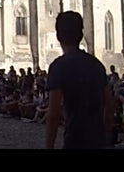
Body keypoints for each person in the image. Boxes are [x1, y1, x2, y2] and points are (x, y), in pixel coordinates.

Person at [45, 11, 114, 149]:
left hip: (74, 140)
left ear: (59, 36)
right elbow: (110, 104)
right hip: (97, 142)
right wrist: (104, 133)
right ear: (81, 34)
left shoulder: (58, 67)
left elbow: (54, 113)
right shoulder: (97, 65)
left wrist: (49, 146)